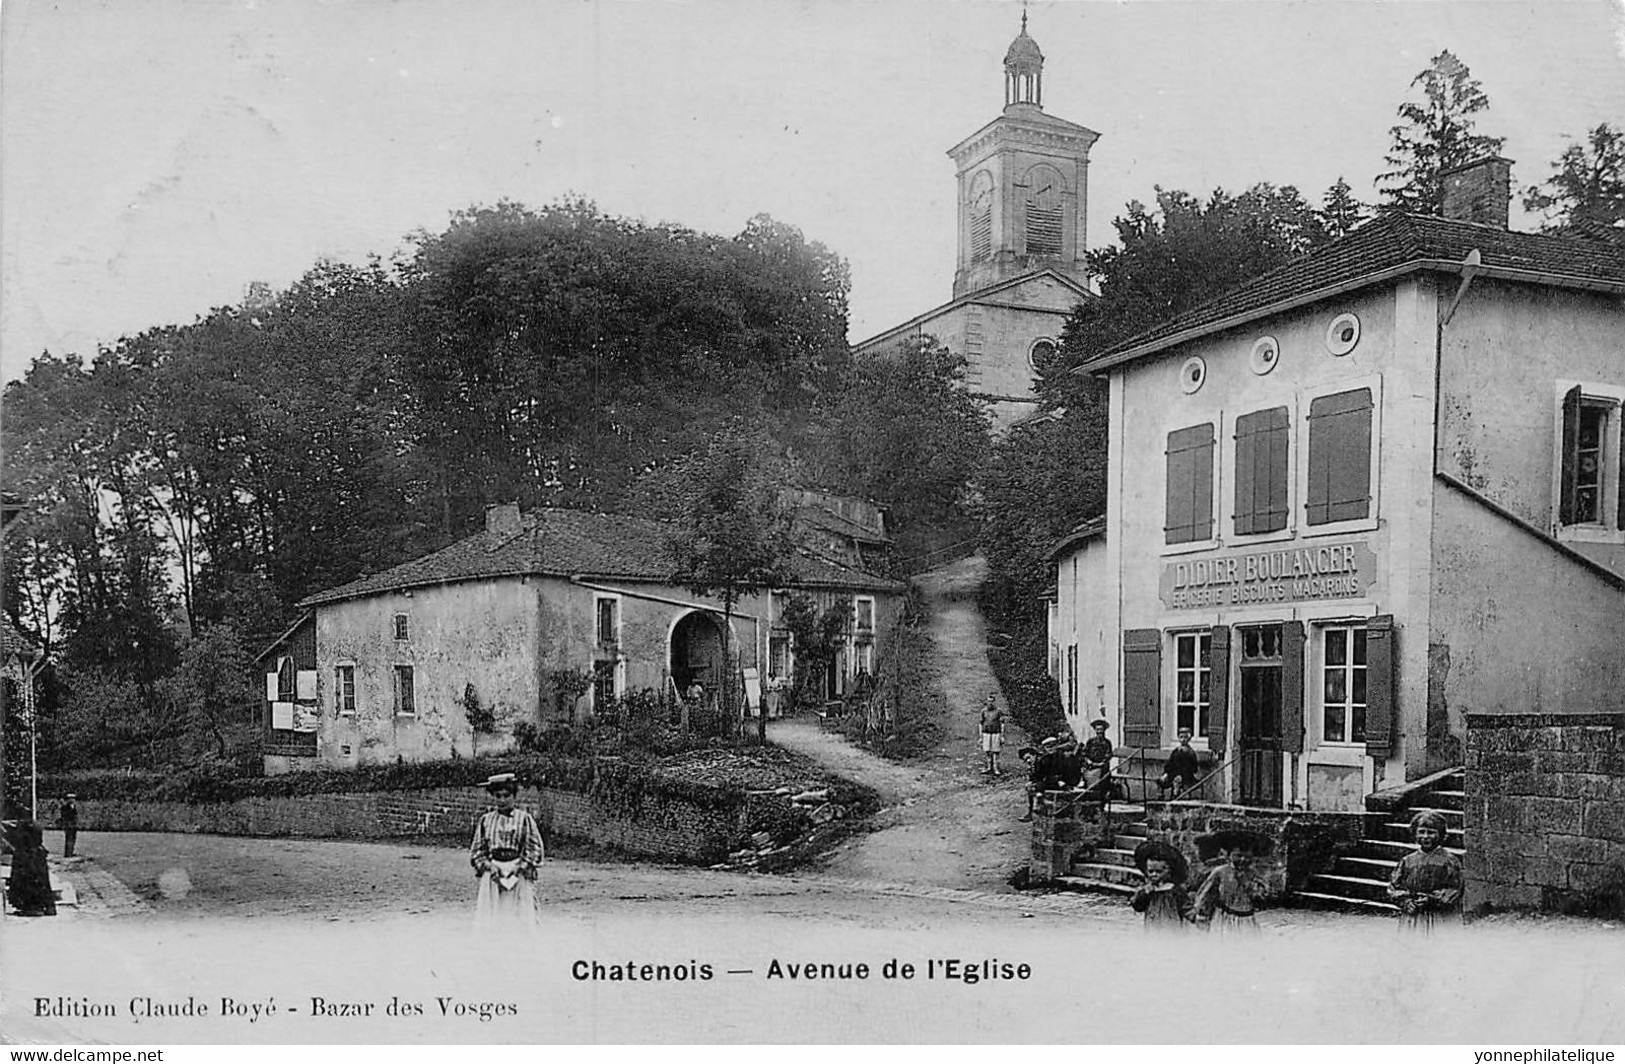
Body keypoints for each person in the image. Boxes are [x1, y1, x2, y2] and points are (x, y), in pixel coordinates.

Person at [469, 773, 545, 929]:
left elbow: (534, 847)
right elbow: (477, 850)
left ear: (514, 796)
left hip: (517, 872)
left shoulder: (524, 819)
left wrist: (521, 866)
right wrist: (489, 866)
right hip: (493, 872)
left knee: (520, 916)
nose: (502, 800)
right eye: (498, 796)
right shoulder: (486, 820)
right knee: (492, 917)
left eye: (506, 795)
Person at [1386, 809, 1463, 932]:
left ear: (1442, 835)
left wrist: (1433, 899)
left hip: (1440, 916)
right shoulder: (1408, 861)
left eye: (1431, 833)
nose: (1426, 837)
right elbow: (1394, 886)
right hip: (1413, 916)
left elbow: (1455, 888)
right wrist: (1405, 901)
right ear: (1414, 834)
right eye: (1421, 832)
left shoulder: (1449, 861)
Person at [1191, 830, 1264, 936]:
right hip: (1225, 919)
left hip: (1247, 919)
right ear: (1228, 855)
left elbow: (1261, 895)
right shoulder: (1221, 872)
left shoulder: (1254, 874)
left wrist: (1249, 884)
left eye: (1247, 856)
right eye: (1238, 856)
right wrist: (1203, 915)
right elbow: (1206, 895)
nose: (1243, 859)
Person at [1131, 840, 1192, 930]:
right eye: (1151, 871)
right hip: (1152, 928)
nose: (1154, 874)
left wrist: (1194, 917)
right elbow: (1137, 906)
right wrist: (1144, 894)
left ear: (1169, 872)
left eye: (1159, 872)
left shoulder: (1175, 890)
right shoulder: (1149, 890)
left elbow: (1186, 907)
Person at [1018, 735, 1082, 821]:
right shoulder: (1044, 760)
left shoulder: (1064, 758)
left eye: (1052, 746)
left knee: (1047, 786)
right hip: (1051, 783)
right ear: (1045, 748)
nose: (1050, 749)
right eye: (1048, 747)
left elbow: (1069, 773)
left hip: (1064, 783)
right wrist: (1034, 781)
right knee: (1034, 787)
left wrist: (1061, 780)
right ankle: (1033, 811)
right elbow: (1039, 775)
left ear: (1056, 746)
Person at [1, 818, 57, 917]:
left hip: (28, 857)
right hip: (36, 856)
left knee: (28, 880)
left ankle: (32, 907)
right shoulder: (33, 828)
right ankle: (47, 906)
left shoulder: (25, 831)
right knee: (42, 881)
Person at [1158, 728, 1201, 798]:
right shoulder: (1176, 751)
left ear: (1189, 739)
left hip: (1186, 776)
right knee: (1161, 780)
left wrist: (1181, 774)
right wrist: (1166, 773)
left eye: (1185, 737)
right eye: (1181, 737)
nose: (1183, 739)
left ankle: (1176, 797)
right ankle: (1160, 798)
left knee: (1178, 780)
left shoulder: (1191, 753)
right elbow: (1170, 764)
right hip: (1174, 774)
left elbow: (1193, 768)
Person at [1081, 718, 1114, 798]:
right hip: (1091, 766)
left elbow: (1108, 755)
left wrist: (1101, 764)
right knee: (1087, 777)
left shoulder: (1107, 743)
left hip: (1102, 767)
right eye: (1097, 729)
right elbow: (1084, 753)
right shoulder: (1090, 742)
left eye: (1101, 729)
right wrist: (1088, 761)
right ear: (1095, 730)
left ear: (1104, 730)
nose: (1099, 732)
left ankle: (1101, 802)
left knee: (1103, 782)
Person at [979, 696, 1005, 777]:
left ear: (994, 702)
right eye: (989, 701)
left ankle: (996, 768)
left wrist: (1002, 736)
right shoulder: (983, 711)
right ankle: (989, 767)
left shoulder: (998, 711)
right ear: (986, 702)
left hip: (996, 733)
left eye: (992, 701)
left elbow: (1002, 724)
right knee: (987, 751)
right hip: (986, 733)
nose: (990, 703)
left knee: (995, 751)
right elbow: (981, 723)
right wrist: (981, 736)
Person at [59, 794, 79, 858]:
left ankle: (70, 852)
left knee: (72, 839)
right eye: (72, 798)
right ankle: (68, 853)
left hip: (73, 825)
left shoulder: (73, 806)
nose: (73, 800)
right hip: (69, 825)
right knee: (69, 839)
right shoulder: (66, 807)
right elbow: (65, 816)